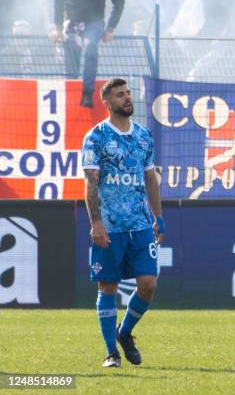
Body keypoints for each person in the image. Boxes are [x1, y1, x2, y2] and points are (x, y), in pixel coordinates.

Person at [81, 78, 164, 368]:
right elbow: (90, 184)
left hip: (140, 225)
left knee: (148, 284)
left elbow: (151, 179)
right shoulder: (96, 137)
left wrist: (159, 217)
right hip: (110, 226)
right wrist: (96, 223)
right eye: (120, 95)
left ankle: (125, 333)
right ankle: (111, 352)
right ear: (107, 102)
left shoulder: (143, 136)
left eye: (128, 93)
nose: (127, 98)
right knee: (108, 287)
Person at [51, 0, 125, 108]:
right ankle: (71, 88)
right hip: (73, 22)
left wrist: (111, 28)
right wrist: (58, 28)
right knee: (72, 49)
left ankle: (87, 93)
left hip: (95, 22)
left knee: (91, 46)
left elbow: (119, 2)